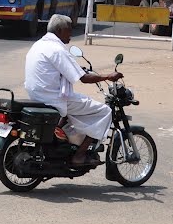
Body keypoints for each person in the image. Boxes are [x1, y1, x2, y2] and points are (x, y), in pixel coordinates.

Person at [24, 15, 122, 167]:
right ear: (60, 30)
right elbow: (83, 78)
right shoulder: (57, 49)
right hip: (53, 98)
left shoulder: (39, 45)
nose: (71, 34)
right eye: (69, 30)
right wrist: (108, 76)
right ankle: (79, 155)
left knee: (79, 101)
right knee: (104, 111)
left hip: (38, 95)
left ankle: (65, 136)